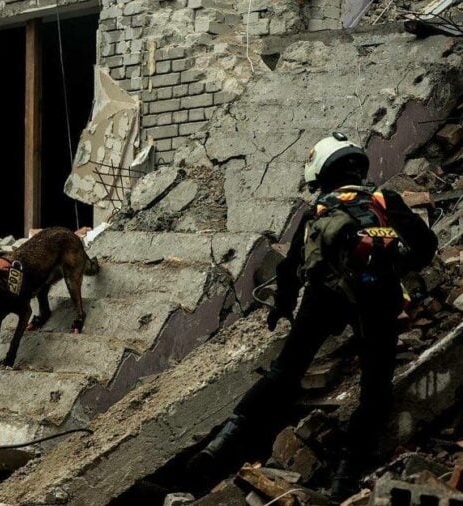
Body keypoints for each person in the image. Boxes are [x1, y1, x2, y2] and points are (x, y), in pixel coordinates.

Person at [185, 132, 438, 500]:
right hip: (377, 298)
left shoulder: (318, 211)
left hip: (324, 298)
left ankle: (223, 442)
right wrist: (394, 269)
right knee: (375, 388)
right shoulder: (385, 200)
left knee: (284, 372)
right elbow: (427, 247)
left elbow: (290, 269)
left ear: (321, 174)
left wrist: (283, 307)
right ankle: (344, 480)